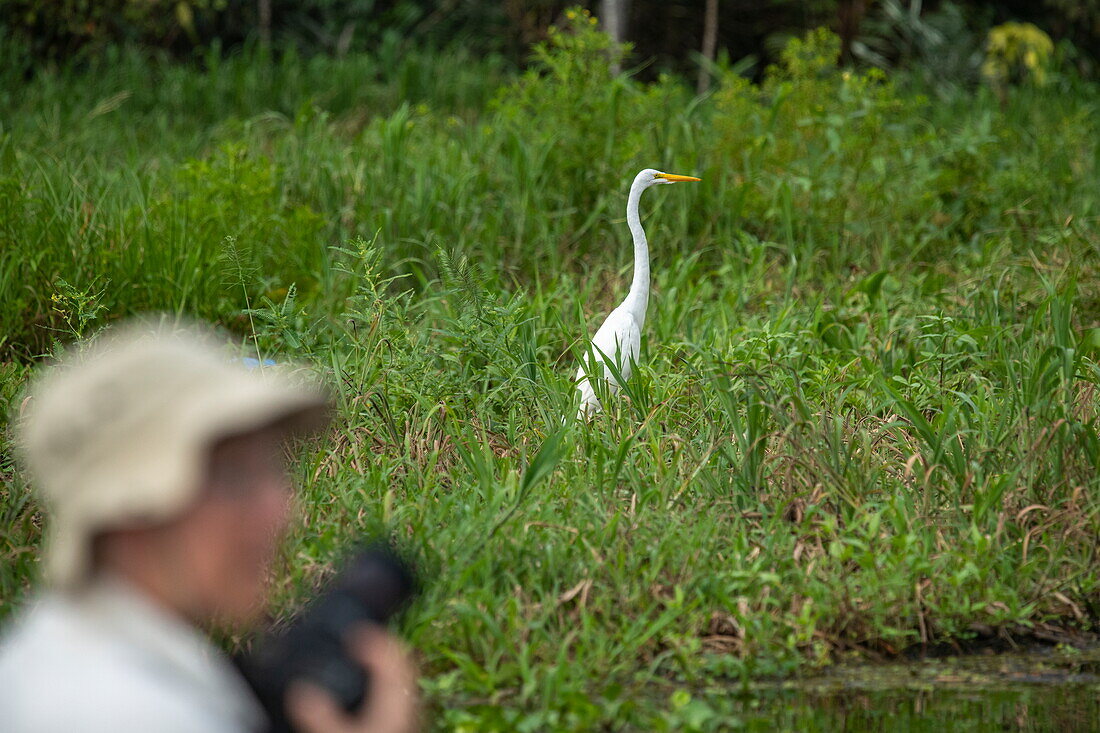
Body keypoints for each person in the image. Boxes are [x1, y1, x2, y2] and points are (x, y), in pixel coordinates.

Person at [0, 321, 418, 733]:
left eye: (271, 470)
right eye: (234, 478)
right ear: (129, 506)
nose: (281, 511)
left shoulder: (46, 658)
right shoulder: (136, 714)